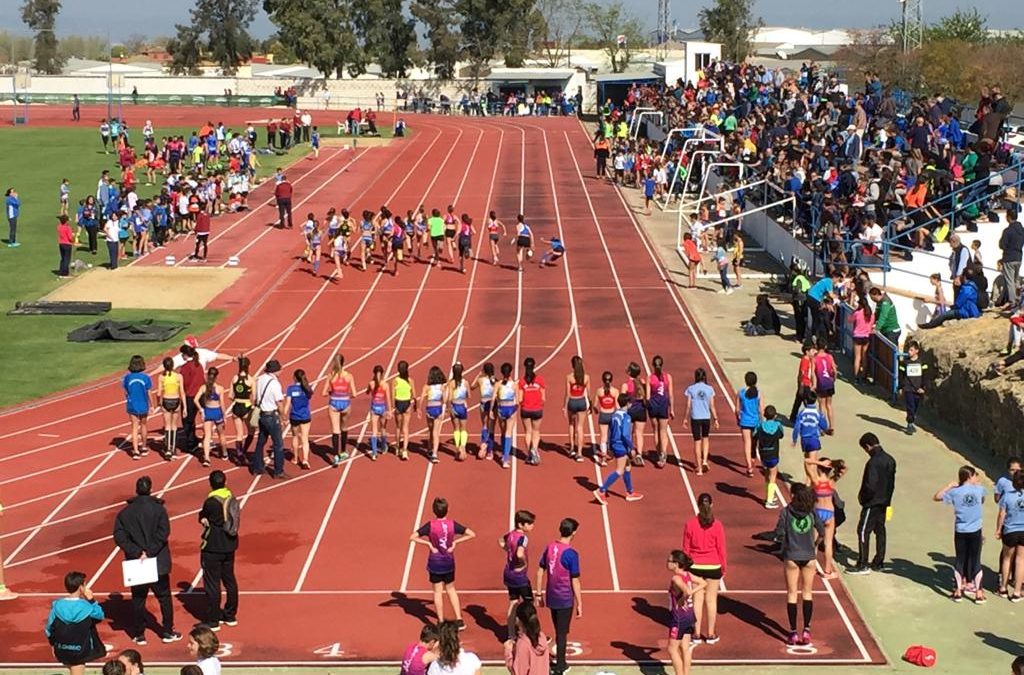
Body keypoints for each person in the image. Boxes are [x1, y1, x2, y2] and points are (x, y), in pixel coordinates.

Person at [113, 476, 181, 645]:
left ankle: (139, 634)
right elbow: (163, 532)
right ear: (150, 489)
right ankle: (167, 631)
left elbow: (120, 537)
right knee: (164, 597)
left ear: (137, 489)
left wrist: (137, 552)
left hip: (137, 562)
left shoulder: (124, 513)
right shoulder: (159, 510)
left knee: (138, 598)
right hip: (157, 560)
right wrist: (149, 551)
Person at [412, 497, 475, 626]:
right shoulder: (452, 524)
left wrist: (429, 544)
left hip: (435, 563)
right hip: (448, 562)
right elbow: (471, 534)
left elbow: (412, 537)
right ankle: (459, 619)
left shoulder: (430, 526)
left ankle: (440, 621)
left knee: (437, 592)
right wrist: (455, 542)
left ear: (433, 510)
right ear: (447, 510)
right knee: (451, 589)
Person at [774, 483, 822, 646]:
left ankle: (793, 632)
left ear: (793, 495)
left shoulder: (786, 512)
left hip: (791, 556)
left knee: (792, 593)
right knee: (807, 593)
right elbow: (822, 532)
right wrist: (814, 545)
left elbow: (779, 534)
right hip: (809, 556)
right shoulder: (812, 511)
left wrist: (785, 544)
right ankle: (806, 630)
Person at [934, 465, 987, 602]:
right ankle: (979, 593)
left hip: (960, 530)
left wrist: (950, 486)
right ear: (970, 476)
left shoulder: (955, 492)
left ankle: (957, 592)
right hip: (975, 530)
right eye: (975, 475)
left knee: (960, 559)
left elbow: (937, 497)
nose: (977, 478)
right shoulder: (980, 489)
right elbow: (982, 500)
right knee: (976, 560)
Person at [536, 518, 582, 675]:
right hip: (564, 598)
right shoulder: (571, 554)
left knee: (558, 630)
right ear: (574, 532)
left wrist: (538, 592)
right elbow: (575, 580)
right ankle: (561, 666)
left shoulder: (550, 547)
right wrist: (580, 603)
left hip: (551, 596)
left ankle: (559, 661)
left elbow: (540, 570)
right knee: (562, 634)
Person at [848, 433, 897, 574]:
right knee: (880, 530)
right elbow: (891, 484)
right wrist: (888, 501)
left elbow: (870, 485)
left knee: (863, 531)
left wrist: (863, 499)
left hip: (872, 503)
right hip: (885, 502)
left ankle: (862, 564)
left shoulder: (873, 462)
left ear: (867, 446)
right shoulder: (890, 460)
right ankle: (879, 561)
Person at [198, 470, 239, 631]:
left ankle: (213, 620)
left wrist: (203, 519)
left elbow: (202, 516)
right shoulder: (231, 496)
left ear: (211, 483)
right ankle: (230, 615)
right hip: (230, 544)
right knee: (229, 579)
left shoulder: (211, 501)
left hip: (213, 546)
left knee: (212, 582)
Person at [681, 493, 725, 645]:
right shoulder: (717, 525)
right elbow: (721, 549)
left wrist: (685, 568)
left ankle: (697, 633)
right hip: (713, 566)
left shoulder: (690, 524)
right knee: (711, 600)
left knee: (697, 600)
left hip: (695, 566)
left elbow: (685, 549)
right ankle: (711, 634)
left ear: (698, 505)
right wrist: (723, 568)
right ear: (711, 505)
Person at [45, 571, 106, 675]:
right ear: (81, 587)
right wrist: (91, 600)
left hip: (62, 648)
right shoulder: (87, 606)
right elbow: (100, 615)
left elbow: (49, 628)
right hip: (81, 649)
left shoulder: (57, 605)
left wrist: (52, 644)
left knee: (72, 669)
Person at [593, 393, 644, 504]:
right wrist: (632, 448)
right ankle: (601, 490)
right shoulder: (626, 417)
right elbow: (625, 435)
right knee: (619, 470)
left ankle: (630, 492)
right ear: (627, 404)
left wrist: (610, 446)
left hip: (615, 444)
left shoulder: (615, 414)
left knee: (627, 467)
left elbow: (611, 431)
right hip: (621, 445)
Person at [805, 457, 847, 578]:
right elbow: (844, 468)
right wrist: (832, 464)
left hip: (818, 512)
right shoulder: (831, 482)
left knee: (814, 543)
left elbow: (806, 461)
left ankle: (811, 567)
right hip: (829, 513)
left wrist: (819, 462)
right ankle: (827, 571)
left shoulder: (815, 481)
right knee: (828, 543)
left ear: (818, 468)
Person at [665, 550, 703, 675]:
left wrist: (685, 596)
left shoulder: (676, 578)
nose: (667, 563)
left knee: (672, 649)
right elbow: (703, 583)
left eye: (669, 561)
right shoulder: (688, 575)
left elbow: (686, 591)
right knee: (685, 648)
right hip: (689, 616)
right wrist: (690, 593)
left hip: (679, 618)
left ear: (676, 564)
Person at [500, 509, 536, 639]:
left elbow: (501, 541)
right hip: (520, 577)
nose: (532, 526)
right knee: (529, 605)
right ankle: (532, 633)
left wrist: (508, 550)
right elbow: (520, 553)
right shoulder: (523, 538)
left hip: (508, 573)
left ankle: (511, 635)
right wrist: (523, 562)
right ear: (521, 525)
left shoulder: (510, 535)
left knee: (513, 603)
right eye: (530, 523)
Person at [251, 360, 287, 478]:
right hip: (271, 415)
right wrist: (283, 417)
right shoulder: (275, 384)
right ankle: (278, 471)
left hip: (262, 414)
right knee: (278, 444)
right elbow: (279, 402)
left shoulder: (260, 379)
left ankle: (257, 467)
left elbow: (255, 396)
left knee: (261, 441)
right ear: (275, 370)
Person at [683, 368, 719, 476]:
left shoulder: (691, 389)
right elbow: (712, 405)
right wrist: (716, 419)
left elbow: (688, 405)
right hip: (706, 417)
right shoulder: (710, 389)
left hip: (695, 418)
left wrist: (685, 418)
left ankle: (699, 469)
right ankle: (704, 460)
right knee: (706, 439)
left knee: (697, 442)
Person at [322, 354, 356, 465]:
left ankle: (336, 456)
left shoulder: (330, 375)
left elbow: (323, 393)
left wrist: (332, 392)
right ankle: (343, 451)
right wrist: (346, 394)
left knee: (335, 430)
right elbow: (354, 394)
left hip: (333, 403)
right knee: (344, 427)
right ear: (344, 363)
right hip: (345, 403)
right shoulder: (349, 376)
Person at [996, 471, 1024, 601]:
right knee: (1021, 561)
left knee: (1007, 559)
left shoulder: (1007, 496)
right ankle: (1017, 592)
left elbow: (1002, 514)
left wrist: (998, 529)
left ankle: (1003, 588)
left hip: (1010, 531)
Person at [792, 391, 830, 482]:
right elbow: (824, 425)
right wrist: (823, 429)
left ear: (805, 401)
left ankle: (808, 480)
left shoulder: (802, 413)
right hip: (813, 439)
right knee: (813, 462)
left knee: (807, 461)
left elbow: (797, 427)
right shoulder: (818, 413)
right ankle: (810, 483)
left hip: (804, 439)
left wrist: (794, 439)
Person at [504, 601, 549, 675]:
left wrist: (508, 651)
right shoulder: (541, 636)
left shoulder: (523, 644)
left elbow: (518, 672)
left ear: (517, 619)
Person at [194, 367, 226, 467]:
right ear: (217, 377)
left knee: (207, 436)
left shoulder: (203, 387)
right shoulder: (220, 388)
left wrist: (201, 409)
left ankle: (207, 458)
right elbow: (222, 404)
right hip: (217, 412)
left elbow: (195, 400)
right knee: (221, 434)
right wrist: (224, 416)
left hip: (207, 412)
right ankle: (224, 453)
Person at [122, 355, 153, 460]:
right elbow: (149, 392)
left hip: (132, 404)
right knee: (144, 425)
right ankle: (144, 447)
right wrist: (152, 405)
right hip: (143, 404)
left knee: (134, 427)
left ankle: (135, 451)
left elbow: (126, 391)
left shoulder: (127, 377)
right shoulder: (145, 377)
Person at [755, 405, 785, 508]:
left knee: (767, 475)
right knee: (773, 477)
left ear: (764, 415)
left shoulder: (760, 426)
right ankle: (769, 501)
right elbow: (781, 435)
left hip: (763, 454)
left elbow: (754, 435)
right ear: (775, 415)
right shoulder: (778, 425)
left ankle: (769, 495)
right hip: (773, 454)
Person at [285, 369, 315, 469]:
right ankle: (305, 460)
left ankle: (295, 458)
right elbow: (309, 398)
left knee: (295, 436)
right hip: (305, 416)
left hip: (294, 416)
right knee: (305, 438)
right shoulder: (307, 388)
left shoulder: (290, 389)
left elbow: (288, 404)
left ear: (294, 377)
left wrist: (283, 415)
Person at [518, 357, 545, 466]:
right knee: (536, 431)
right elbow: (543, 398)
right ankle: (534, 449)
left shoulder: (521, 381)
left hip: (525, 409)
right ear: (534, 366)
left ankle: (530, 454)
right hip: (537, 409)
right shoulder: (540, 380)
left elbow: (520, 399)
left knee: (528, 432)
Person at [227, 356, 254, 464]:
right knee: (251, 431)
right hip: (246, 407)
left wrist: (237, 398)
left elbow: (230, 395)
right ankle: (243, 451)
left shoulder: (234, 378)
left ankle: (239, 454)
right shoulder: (251, 380)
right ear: (248, 366)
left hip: (236, 407)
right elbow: (254, 397)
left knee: (239, 434)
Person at [647, 355, 674, 467]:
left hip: (653, 406)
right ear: (662, 365)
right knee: (663, 431)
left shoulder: (649, 378)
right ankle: (663, 454)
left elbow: (648, 397)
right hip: (663, 406)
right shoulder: (668, 377)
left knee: (656, 431)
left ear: (653, 365)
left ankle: (659, 454)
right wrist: (672, 409)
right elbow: (671, 395)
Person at [736, 372, 764, 477]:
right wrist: (762, 421)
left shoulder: (740, 393)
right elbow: (761, 410)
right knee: (754, 443)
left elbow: (737, 409)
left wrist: (737, 419)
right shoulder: (759, 393)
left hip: (745, 421)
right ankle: (752, 460)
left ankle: (749, 466)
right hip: (756, 421)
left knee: (747, 443)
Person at [563, 356, 590, 463]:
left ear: (572, 365)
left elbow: (567, 393)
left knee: (571, 425)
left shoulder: (569, 377)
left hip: (572, 402)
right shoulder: (586, 377)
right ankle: (580, 453)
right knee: (580, 427)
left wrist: (565, 406)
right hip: (581, 401)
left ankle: (572, 449)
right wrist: (590, 405)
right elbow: (588, 393)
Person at [898, 340, 928, 434]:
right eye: (908, 350)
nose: (909, 352)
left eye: (911, 350)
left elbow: (925, 376)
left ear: (916, 351)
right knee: (910, 406)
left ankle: (911, 420)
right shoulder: (904, 363)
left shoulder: (922, 362)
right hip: (908, 388)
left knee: (915, 406)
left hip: (918, 389)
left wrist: (923, 387)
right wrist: (901, 387)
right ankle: (910, 424)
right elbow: (901, 376)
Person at [622, 362, 648, 467]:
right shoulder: (642, 382)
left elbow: (622, 400)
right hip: (641, 410)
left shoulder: (626, 385)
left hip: (630, 411)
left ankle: (630, 452)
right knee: (639, 433)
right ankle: (639, 454)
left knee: (629, 433)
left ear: (629, 372)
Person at [495, 363, 518, 468]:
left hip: (501, 409)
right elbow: (517, 401)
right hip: (511, 409)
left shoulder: (498, 384)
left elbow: (494, 398)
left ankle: (504, 455)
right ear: (511, 372)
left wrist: (492, 410)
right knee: (508, 433)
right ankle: (505, 459)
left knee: (503, 432)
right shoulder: (514, 385)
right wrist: (515, 410)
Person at [393, 360, 417, 461]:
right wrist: (415, 405)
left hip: (398, 403)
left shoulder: (395, 381)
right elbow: (415, 395)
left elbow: (393, 395)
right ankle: (405, 450)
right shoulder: (410, 381)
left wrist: (393, 407)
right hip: (407, 404)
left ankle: (398, 447)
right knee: (405, 428)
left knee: (398, 427)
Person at [471, 363, 496, 460]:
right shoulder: (495, 380)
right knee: (492, 428)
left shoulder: (480, 380)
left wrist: (478, 375)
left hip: (483, 403)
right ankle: (490, 451)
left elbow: (472, 387)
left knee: (485, 425)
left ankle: (483, 443)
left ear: (484, 370)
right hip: (493, 404)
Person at [446, 363, 469, 461]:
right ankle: (463, 447)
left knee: (456, 428)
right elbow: (469, 395)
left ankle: (457, 448)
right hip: (462, 406)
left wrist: (449, 408)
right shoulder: (465, 382)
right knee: (463, 428)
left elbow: (449, 398)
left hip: (454, 406)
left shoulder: (451, 383)